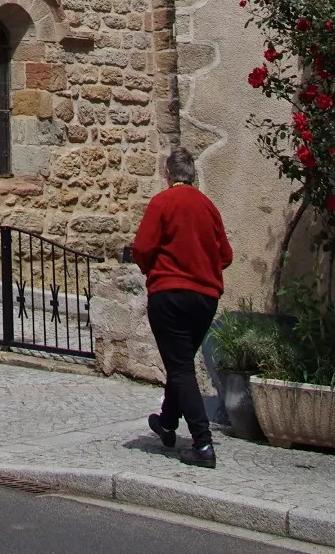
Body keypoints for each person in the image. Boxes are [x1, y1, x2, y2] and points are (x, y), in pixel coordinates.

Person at [131, 146, 233, 468]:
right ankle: (167, 422)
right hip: (205, 297)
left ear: (168, 175)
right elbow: (226, 256)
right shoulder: (209, 207)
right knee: (182, 361)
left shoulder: (163, 202)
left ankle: (203, 445)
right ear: (193, 175)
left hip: (170, 293)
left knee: (180, 367)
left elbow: (142, 248)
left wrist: (152, 271)